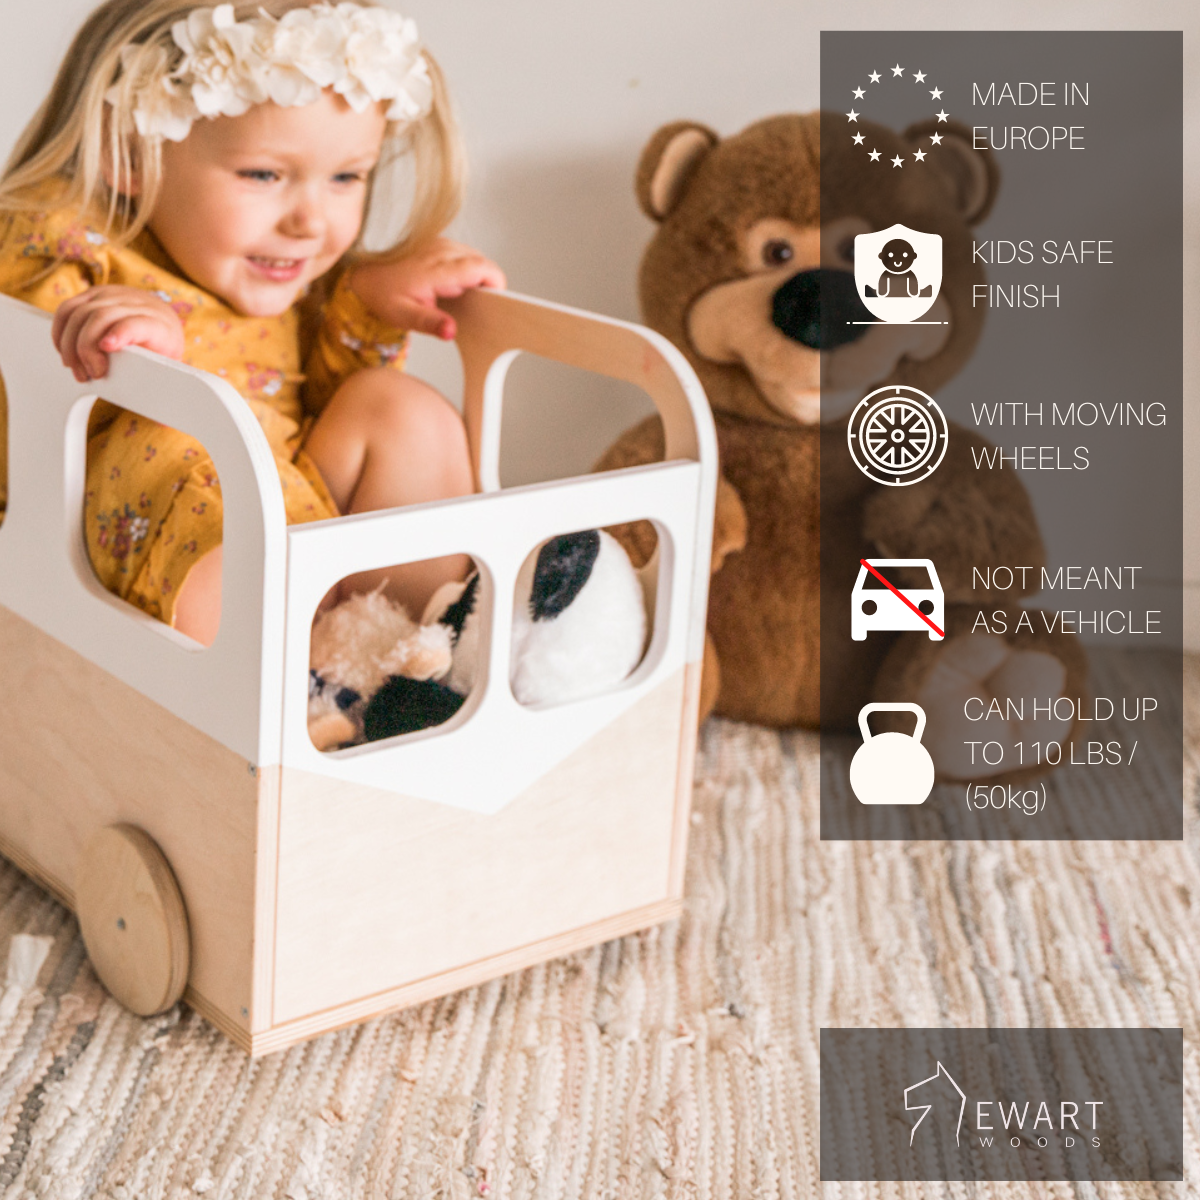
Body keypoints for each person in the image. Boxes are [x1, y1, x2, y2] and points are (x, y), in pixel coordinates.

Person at [0, 0, 504, 645]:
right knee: (185, 443)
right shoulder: (61, 240)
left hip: (298, 542)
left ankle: (410, 653)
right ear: (128, 153)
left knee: (400, 407)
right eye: (263, 174)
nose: (310, 223)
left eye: (347, 176)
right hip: (127, 565)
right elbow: (29, 428)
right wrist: (133, 367)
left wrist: (366, 310)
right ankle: (274, 698)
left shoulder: (271, 261)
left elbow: (314, 408)